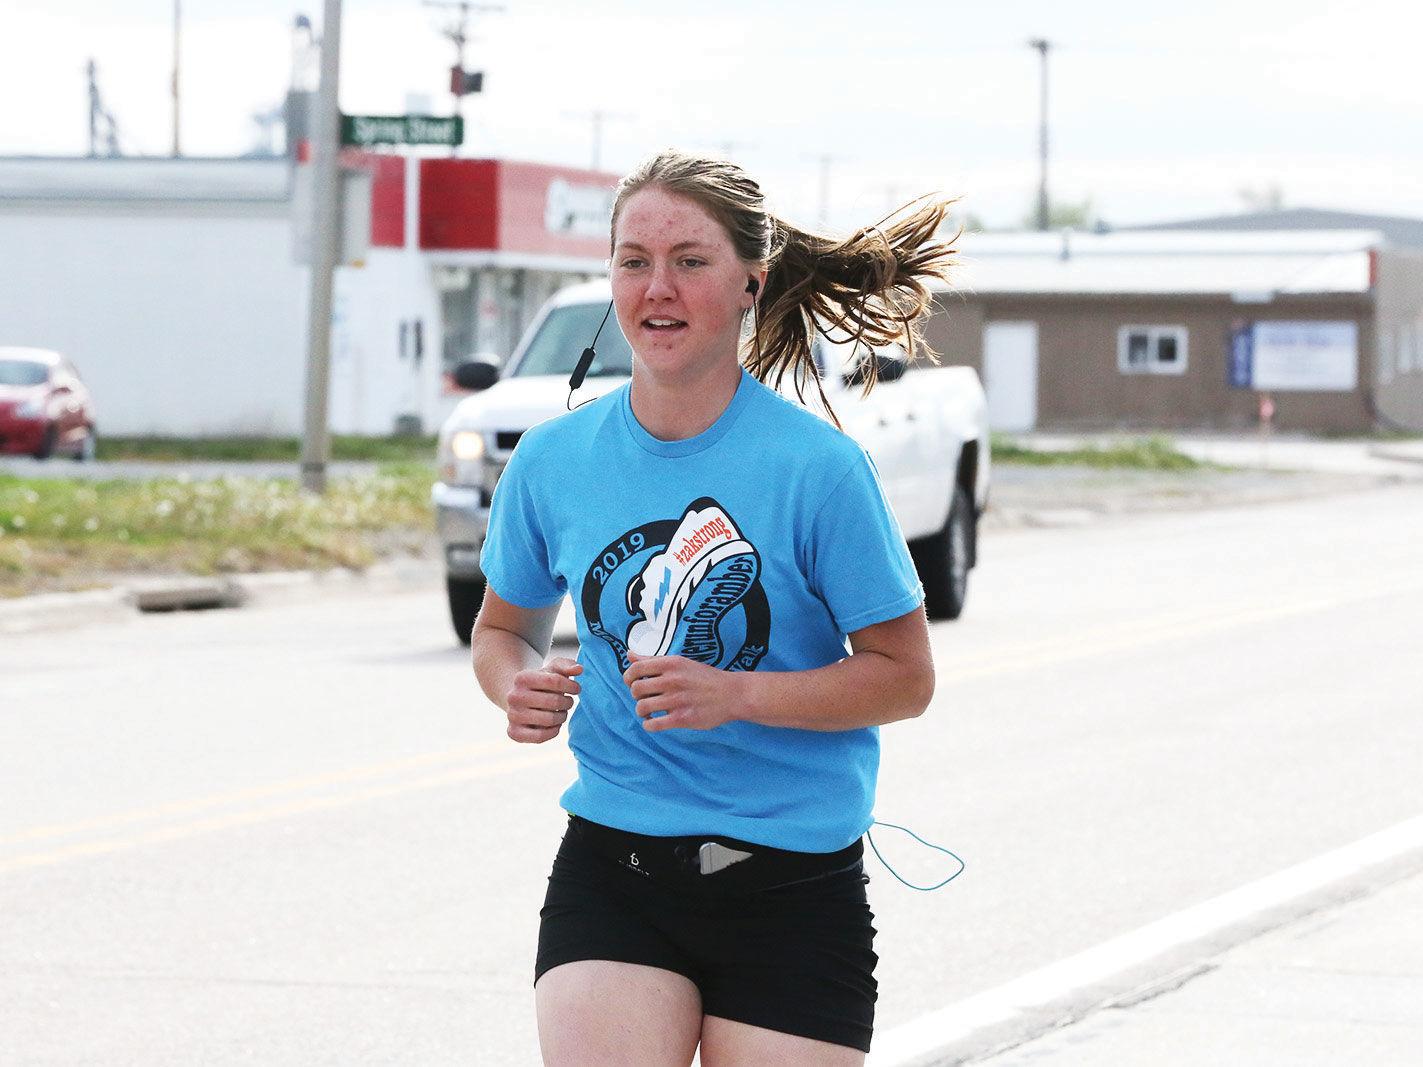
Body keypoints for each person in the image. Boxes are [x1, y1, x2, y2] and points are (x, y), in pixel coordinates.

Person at [471, 149, 959, 1065]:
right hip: (614, 868)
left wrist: (737, 696)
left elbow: (905, 678)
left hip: (791, 886)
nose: (657, 287)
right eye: (632, 260)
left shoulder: (816, 469)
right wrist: (517, 684)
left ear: (749, 283)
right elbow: (504, 628)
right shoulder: (553, 459)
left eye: (690, 260)